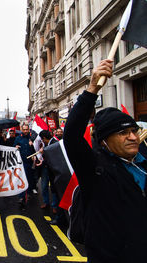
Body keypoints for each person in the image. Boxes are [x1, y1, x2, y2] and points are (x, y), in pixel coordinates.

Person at [64, 59, 147, 262]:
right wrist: (92, 89)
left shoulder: (144, 163)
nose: (133, 137)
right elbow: (72, 135)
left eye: (134, 131)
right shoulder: (95, 169)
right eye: (123, 133)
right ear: (104, 141)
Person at [13, 123, 37, 206]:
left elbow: (35, 151)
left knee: (29, 179)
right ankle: (21, 196)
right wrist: (15, 147)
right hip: (21, 163)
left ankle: (28, 193)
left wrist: (32, 146)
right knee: (22, 179)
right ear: (21, 129)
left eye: (27, 129)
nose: (26, 131)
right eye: (24, 129)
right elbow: (13, 148)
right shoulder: (18, 138)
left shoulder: (31, 139)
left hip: (29, 163)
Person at [38, 130, 58, 213]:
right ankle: (46, 202)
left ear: (44, 138)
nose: (42, 141)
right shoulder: (46, 144)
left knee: (53, 188)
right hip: (45, 169)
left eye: (42, 139)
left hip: (53, 170)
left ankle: (55, 206)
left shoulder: (55, 143)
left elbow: (54, 157)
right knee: (44, 186)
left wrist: (44, 153)